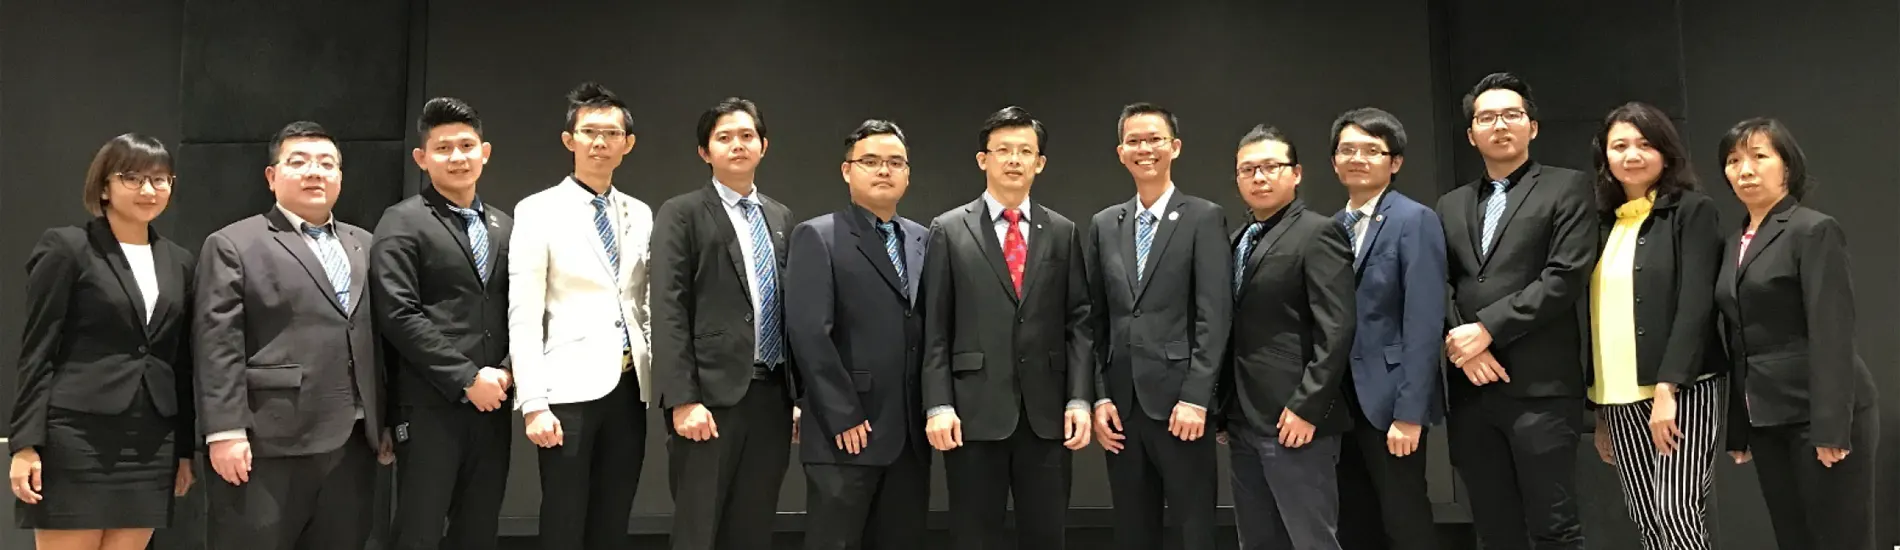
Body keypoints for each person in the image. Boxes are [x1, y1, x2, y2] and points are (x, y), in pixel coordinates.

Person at [195, 121, 394, 550]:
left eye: (327, 163)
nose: (314, 172)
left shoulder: (366, 243)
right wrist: (225, 430)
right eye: (298, 162)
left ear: (340, 176)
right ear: (272, 176)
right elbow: (217, 345)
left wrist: (384, 421)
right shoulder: (234, 243)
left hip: (354, 441)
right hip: (268, 441)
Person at [8, 134, 196, 550]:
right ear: (105, 186)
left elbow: (179, 361)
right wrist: (25, 445)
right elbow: (37, 351)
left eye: (160, 179)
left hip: (151, 439)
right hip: (76, 436)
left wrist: (184, 448)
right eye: (133, 178)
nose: (148, 190)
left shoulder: (179, 260)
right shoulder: (68, 247)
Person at [921, 106, 1094, 550]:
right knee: (974, 537)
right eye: (1003, 150)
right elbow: (935, 326)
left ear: (1040, 162)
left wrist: (1079, 397)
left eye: (1025, 151)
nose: (1014, 160)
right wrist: (938, 403)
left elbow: (1079, 322)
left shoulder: (1063, 231)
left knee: (1046, 535)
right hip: (973, 413)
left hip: (1047, 415)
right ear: (983, 159)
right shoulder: (949, 229)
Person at [1436, 72, 1595, 550]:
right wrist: (1463, 345)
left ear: (1533, 126)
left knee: (1554, 528)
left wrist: (1486, 329)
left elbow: (1564, 277)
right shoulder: (1450, 204)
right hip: (1470, 392)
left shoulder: (1568, 188)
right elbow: (1438, 283)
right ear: (1471, 134)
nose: (1500, 125)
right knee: (1493, 530)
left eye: (1511, 115)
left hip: (1541, 391)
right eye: (1487, 118)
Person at [1714, 118, 1879, 550]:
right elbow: (1737, 338)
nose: (1745, 170)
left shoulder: (1812, 229)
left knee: (1839, 539)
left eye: (1759, 156)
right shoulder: (1733, 243)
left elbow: (1832, 330)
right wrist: (1739, 426)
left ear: (1786, 166)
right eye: (1733, 161)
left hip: (1818, 415)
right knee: (1793, 538)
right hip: (1766, 417)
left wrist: (1831, 427)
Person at [507, 82, 654, 550]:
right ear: (569, 140)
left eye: (612, 133)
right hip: (566, 391)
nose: (600, 142)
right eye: (589, 132)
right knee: (564, 519)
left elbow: (643, 301)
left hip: (630, 387)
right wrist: (533, 402)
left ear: (627, 144)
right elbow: (524, 312)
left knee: (614, 517)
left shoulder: (640, 213)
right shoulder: (537, 210)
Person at [651, 97, 797, 550]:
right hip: (709, 400)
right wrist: (683, 399)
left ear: (763, 146)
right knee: (699, 529)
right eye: (724, 137)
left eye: (747, 136)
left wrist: (798, 396)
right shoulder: (682, 212)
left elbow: (789, 310)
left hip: (772, 396)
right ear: (705, 151)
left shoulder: (781, 216)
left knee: (754, 527)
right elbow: (668, 308)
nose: (738, 145)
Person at [1581, 102, 1727, 550]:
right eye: (1620, 146)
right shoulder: (1601, 223)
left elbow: (1696, 303)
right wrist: (1600, 410)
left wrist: (1668, 387)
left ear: (1666, 152)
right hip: (1617, 396)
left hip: (1683, 388)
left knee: (1676, 511)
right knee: (1646, 516)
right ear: (1605, 156)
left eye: (1645, 144)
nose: (1632, 155)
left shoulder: (1692, 211)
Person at [1084, 102, 1231, 550]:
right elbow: (1095, 319)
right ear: (1121, 152)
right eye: (1134, 141)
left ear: (1175, 147)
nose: (1144, 149)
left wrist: (1197, 397)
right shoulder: (1105, 224)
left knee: (1194, 528)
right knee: (1132, 528)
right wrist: (1100, 396)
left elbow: (1214, 315)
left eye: (1154, 139)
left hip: (1182, 405)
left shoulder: (1204, 217)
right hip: (1122, 406)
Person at [371, 97, 515, 550]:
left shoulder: (505, 226)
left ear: (485, 152)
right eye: (443, 148)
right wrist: (466, 378)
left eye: (467, 146)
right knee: (419, 530)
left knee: (480, 530)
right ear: (422, 158)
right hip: (429, 404)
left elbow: (522, 309)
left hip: (494, 405)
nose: (457, 157)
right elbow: (398, 314)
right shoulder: (402, 221)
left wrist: (507, 371)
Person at [785, 119, 931, 549]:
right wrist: (842, 414)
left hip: (910, 433)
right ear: (847, 170)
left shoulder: (923, 239)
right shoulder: (818, 235)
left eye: (895, 162)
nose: (884, 170)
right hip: (847, 430)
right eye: (871, 161)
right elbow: (809, 333)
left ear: (907, 174)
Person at [1218, 124, 1356, 550]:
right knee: (1257, 541)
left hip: (1295, 420)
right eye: (1248, 170)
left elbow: (1337, 329)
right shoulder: (1237, 239)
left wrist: (1307, 407)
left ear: (1296, 173)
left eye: (1270, 167)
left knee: (1311, 540)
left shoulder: (1318, 233)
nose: (1258, 177)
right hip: (1242, 418)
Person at [1323, 108, 1447, 550]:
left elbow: (1424, 321)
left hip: (1391, 399)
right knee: (1353, 521)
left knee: (1404, 519)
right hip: (1339, 404)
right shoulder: (1330, 228)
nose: (1358, 158)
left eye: (1372, 150)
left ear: (1394, 162)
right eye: (1347, 150)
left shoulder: (1414, 219)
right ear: (1334, 161)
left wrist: (1410, 412)